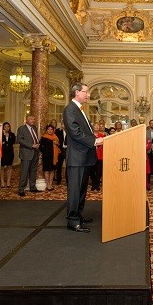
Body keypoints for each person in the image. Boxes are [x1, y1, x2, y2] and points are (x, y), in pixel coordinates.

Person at [63, 83, 103, 233]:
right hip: (77, 157)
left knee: (81, 190)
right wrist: (94, 141)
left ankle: (78, 215)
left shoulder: (79, 110)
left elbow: (83, 132)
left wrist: (94, 138)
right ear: (77, 92)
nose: (88, 95)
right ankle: (72, 221)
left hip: (84, 157)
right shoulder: (70, 109)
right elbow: (75, 132)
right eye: (86, 92)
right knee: (75, 190)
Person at [17, 115, 41, 196]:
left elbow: (35, 138)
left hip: (35, 153)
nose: (33, 120)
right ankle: (21, 189)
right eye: (31, 119)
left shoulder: (34, 128)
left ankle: (33, 187)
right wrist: (31, 145)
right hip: (26, 153)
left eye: (34, 119)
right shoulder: (21, 128)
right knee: (24, 172)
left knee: (33, 171)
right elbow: (19, 140)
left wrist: (37, 146)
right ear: (26, 120)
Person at [39, 124, 59, 191]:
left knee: (52, 171)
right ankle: (47, 185)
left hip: (54, 156)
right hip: (46, 156)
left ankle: (51, 184)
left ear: (53, 130)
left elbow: (58, 146)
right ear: (46, 130)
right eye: (48, 129)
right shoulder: (44, 138)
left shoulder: (56, 137)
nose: (50, 130)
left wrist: (57, 144)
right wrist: (44, 152)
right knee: (47, 170)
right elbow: (40, 147)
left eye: (51, 129)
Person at [0, 122, 16, 188]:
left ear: (9, 127)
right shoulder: (0, 134)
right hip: (2, 152)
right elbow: (1, 142)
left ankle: (8, 181)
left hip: (10, 152)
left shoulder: (12, 134)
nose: (7, 128)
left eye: (8, 126)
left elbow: (12, 142)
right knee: (2, 167)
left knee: (9, 166)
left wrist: (6, 138)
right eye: (5, 126)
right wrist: (4, 135)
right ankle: (2, 182)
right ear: (3, 127)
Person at [91, 122, 105, 191]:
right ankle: (93, 184)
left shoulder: (102, 135)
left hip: (100, 155)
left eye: (98, 126)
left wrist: (101, 144)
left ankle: (97, 184)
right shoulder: (90, 135)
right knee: (92, 171)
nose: (96, 127)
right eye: (95, 126)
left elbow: (104, 144)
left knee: (99, 171)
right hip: (91, 155)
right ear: (93, 127)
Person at [54, 120, 67, 185]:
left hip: (68, 150)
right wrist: (59, 130)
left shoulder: (70, 131)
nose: (64, 125)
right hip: (60, 150)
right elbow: (55, 138)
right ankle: (59, 180)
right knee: (59, 166)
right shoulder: (58, 131)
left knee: (68, 166)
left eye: (65, 124)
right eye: (63, 124)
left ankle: (68, 180)